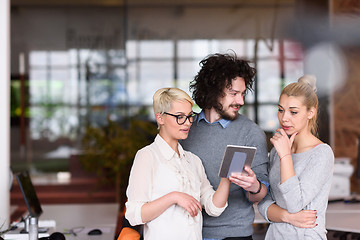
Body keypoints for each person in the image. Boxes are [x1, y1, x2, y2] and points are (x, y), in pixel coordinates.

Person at [181, 53, 269, 240]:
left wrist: (254, 186)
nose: (241, 101)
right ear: (213, 91)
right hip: (188, 232)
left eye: (243, 93)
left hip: (234, 234)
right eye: (234, 94)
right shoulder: (185, 130)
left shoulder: (250, 132)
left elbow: (260, 194)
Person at [125, 87, 231, 240]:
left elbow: (214, 208)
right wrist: (174, 197)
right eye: (180, 116)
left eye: (189, 116)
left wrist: (227, 177)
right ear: (160, 118)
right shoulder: (147, 156)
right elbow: (134, 215)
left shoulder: (193, 160)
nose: (187, 123)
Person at [257, 75, 335, 239]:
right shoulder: (279, 150)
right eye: (280, 110)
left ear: (311, 112)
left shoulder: (321, 153)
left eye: (293, 112)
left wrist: (286, 156)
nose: (284, 118)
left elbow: (295, 204)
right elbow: (264, 204)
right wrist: (288, 217)